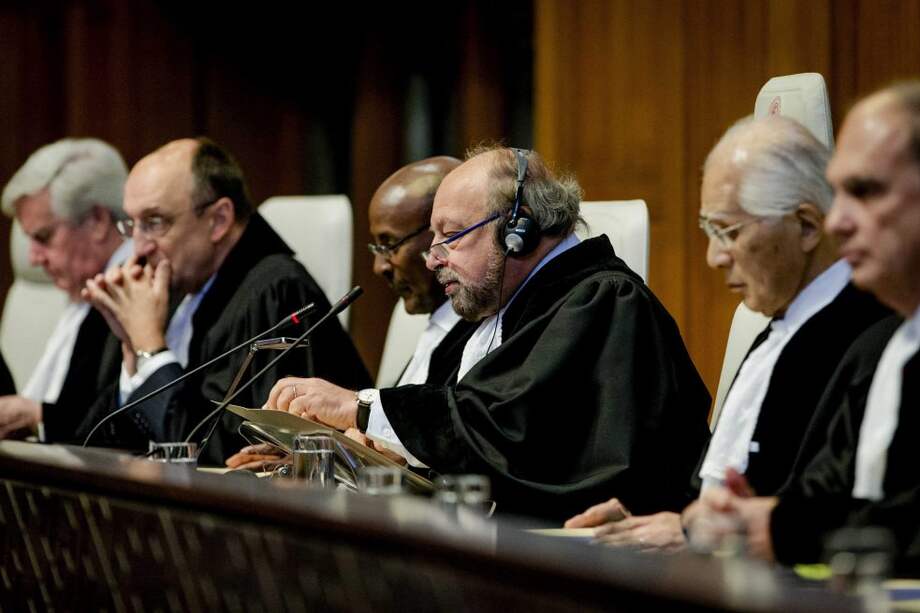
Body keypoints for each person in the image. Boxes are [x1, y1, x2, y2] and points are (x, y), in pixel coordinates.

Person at [262, 145, 711, 522]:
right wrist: (382, 451)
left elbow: (507, 432)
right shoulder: (505, 309)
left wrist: (359, 408)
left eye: (451, 236)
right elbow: (471, 432)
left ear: (521, 229)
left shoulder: (602, 302)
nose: (433, 258)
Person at [564, 116, 891, 550]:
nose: (715, 256)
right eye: (708, 230)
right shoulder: (779, 328)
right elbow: (716, 496)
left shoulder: (865, 335)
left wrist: (695, 532)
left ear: (808, 227)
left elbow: (831, 510)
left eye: (728, 232)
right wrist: (651, 521)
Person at [693, 82, 920, 575]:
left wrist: (773, 528)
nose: (839, 221)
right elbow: (834, 496)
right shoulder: (894, 340)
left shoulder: (869, 332)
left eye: (865, 191)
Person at [81, 137, 370, 462]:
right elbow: (92, 444)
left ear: (219, 220)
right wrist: (134, 353)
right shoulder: (176, 292)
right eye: (133, 225)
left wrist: (150, 345)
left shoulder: (275, 292)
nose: (139, 248)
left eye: (154, 223)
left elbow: (216, 455)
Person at [226, 155, 477, 469]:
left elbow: (454, 449)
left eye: (389, 244)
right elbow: (393, 451)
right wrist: (315, 455)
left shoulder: (486, 332)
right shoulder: (438, 326)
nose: (379, 266)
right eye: (376, 248)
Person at [0, 138, 130, 441]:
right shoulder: (81, 290)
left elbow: (115, 421)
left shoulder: (130, 293)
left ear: (98, 220)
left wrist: (36, 417)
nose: (32, 257)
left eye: (43, 237)